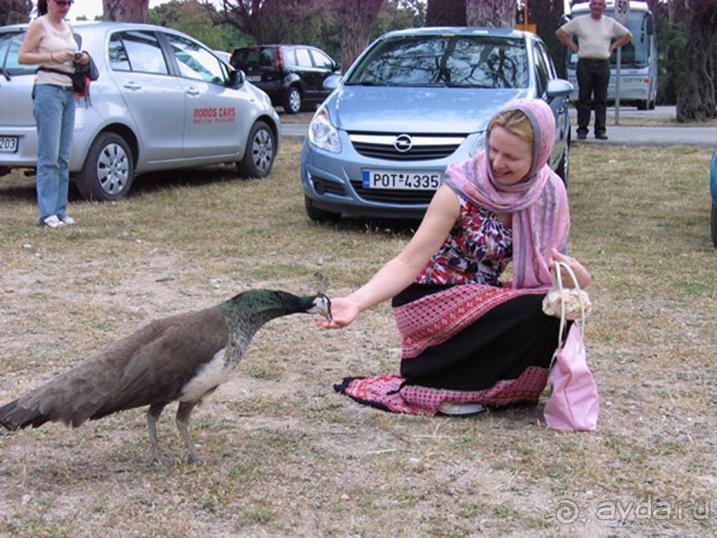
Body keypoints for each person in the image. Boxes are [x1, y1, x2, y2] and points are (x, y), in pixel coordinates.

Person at [319, 99, 592, 417]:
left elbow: (556, 275)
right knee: (535, 307)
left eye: (511, 157)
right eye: (493, 149)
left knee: (555, 307)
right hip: (429, 298)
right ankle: (442, 385)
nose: (496, 162)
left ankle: (491, 388)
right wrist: (356, 301)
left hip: (484, 300)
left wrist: (580, 279)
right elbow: (408, 261)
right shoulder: (461, 189)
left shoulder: (547, 193)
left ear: (539, 156)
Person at [18, 0, 88, 229]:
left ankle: (60, 210)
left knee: (63, 155)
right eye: (60, 2)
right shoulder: (39, 25)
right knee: (49, 155)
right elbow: (23, 56)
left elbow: (72, 56)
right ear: (48, 2)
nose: (65, 7)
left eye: (69, 3)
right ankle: (47, 213)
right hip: (48, 88)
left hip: (68, 90)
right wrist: (53, 57)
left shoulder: (69, 28)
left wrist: (81, 58)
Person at [556, 0, 631, 141]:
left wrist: (613, 46)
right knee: (584, 98)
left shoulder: (610, 23)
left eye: (600, 4)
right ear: (590, 6)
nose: (597, 7)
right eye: (594, 4)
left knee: (601, 99)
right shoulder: (579, 22)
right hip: (585, 64)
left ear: (604, 7)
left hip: (602, 64)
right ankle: (582, 130)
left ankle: (600, 130)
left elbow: (627, 35)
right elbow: (561, 33)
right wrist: (574, 46)